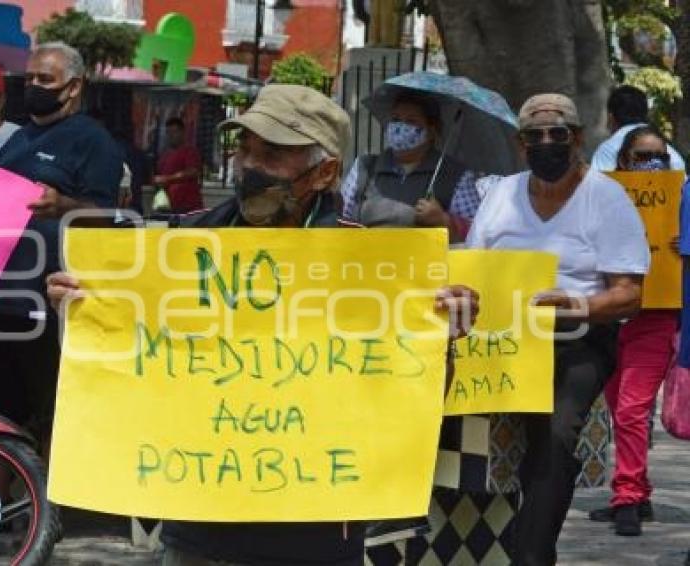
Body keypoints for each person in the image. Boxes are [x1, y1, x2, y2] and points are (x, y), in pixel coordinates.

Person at [47, 84, 480, 566]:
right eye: (245, 151)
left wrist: (439, 337)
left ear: (326, 172)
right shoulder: (186, 245)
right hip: (198, 520)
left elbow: (417, 398)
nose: (251, 167)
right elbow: (126, 360)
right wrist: (85, 307)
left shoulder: (370, 267)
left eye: (273, 155)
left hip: (316, 528)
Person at [467, 93, 650, 565]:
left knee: (556, 430)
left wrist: (575, 305)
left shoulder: (607, 198)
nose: (546, 143)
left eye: (558, 135)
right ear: (520, 144)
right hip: (502, 336)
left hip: (578, 335)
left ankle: (531, 553)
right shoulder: (501, 194)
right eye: (535, 136)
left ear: (578, 139)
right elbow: (468, 270)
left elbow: (629, 294)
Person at [0, 42, 122, 447]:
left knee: (48, 417)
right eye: (30, 79)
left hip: (50, 305)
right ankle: (1, 505)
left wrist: (63, 205)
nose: (34, 86)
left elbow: (111, 218)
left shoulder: (94, 142)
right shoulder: (16, 140)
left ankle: (44, 505)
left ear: (73, 87)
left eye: (46, 80)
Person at [587, 126, 681, 536]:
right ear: (624, 162)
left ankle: (626, 496)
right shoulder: (602, 197)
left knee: (632, 409)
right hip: (610, 319)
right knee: (620, 409)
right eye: (642, 156)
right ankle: (635, 491)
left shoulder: (683, 198)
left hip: (656, 317)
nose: (652, 163)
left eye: (659, 154)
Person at [340, 93, 480, 242]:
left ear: (432, 130)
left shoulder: (456, 176)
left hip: (423, 263)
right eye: (396, 119)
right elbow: (339, 220)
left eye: (411, 121)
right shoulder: (364, 168)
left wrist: (444, 221)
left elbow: (477, 232)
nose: (400, 127)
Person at [591, 85, 685, 172]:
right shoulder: (674, 155)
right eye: (643, 157)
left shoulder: (607, 150)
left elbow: (597, 187)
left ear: (610, 118)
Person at [154, 117, 203, 214]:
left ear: (182, 133)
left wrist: (168, 179)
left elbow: (193, 171)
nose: (171, 136)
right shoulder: (164, 155)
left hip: (188, 207)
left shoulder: (190, 151)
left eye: (174, 132)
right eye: (168, 133)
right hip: (168, 206)